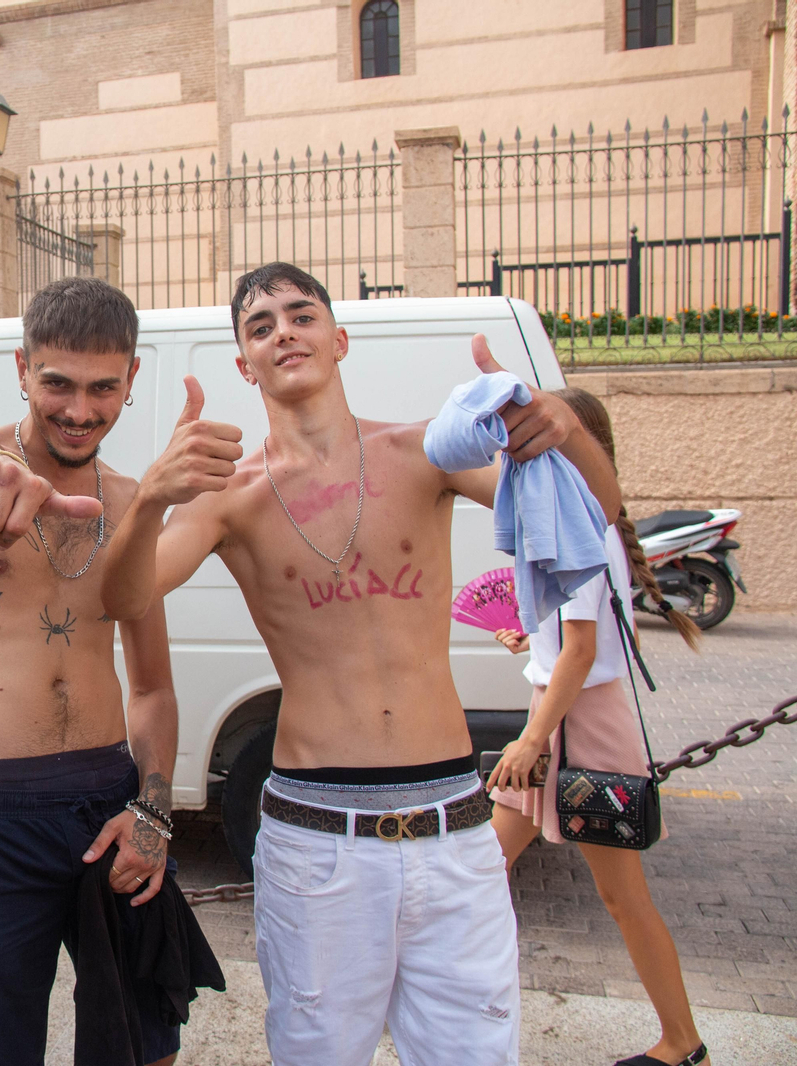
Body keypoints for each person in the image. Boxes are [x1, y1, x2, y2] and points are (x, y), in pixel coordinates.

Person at [99, 263, 623, 1066]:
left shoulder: (424, 453)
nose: (284, 332)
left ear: (338, 339)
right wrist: (151, 499)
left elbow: (603, 513)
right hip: (318, 841)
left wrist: (560, 425)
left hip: (455, 832)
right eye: (260, 326)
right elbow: (124, 595)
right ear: (245, 364)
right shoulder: (229, 498)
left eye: (300, 315)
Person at [0, 276, 211, 1066]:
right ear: (21, 368)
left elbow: (151, 684)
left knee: (143, 1041)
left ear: (131, 381)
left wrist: (152, 815)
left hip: (106, 805)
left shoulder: (131, 502)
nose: (79, 410)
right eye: (56, 383)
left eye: (101, 388)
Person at [487, 388, 709, 1066]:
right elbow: (576, 640)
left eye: (525, 439)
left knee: (622, 900)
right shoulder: (581, 518)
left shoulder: (579, 521)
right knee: (480, 874)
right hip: (561, 718)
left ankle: (683, 1043)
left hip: (579, 727)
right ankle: (441, 1008)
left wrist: (530, 740)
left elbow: (584, 653)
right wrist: (533, 642)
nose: (512, 455)